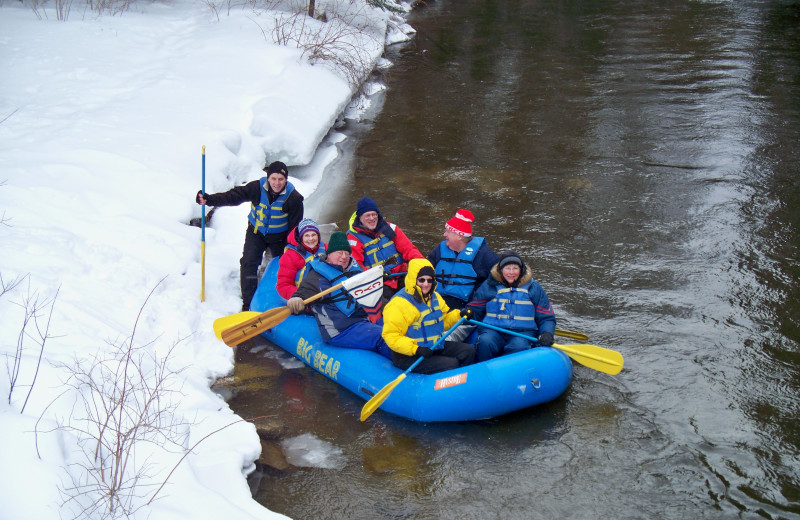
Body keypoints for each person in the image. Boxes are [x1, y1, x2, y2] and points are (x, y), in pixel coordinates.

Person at [196, 161, 304, 311]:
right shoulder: (256, 188)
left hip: (280, 237)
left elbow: (294, 228)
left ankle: (279, 299)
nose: (277, 183)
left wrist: (292, 248)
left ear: (286, 180)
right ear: (268, 178)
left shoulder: (294, 198)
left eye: (281, 179)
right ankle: (248, 304)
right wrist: (209, 200)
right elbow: (234, 196)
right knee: (248, 263)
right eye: (273, 178)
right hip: (256, 233)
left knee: (284, 267)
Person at [286, 232, 391, 359]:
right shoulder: (317, 276)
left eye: (347, 253)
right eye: (339, 253)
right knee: (384, 336)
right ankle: (405, 365)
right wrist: (296, 300)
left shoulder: (355, 269)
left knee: (398, 328)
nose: (344, 257)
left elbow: (372, 294)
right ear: (329, 254)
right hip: (341, 330)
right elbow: (303, 293)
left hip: (363, 320)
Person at [382, 258, 475, 374]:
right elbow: (391, 336)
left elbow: (444, 322)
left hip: (434, 346)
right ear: (413, 280)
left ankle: (464, 383)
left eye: (429, 280)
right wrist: (415, 349)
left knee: (468, 351)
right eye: (421, 280)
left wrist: (459, 315)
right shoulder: (398, 304)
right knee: (452, 364)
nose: (426, 284)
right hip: (409, 355)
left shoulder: (435, 297)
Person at [465, 250, 556, 362]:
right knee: (486, 341)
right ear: (501, 270)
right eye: (507, 268)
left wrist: (547, 332)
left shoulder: (534, 288)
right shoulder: (489, 286)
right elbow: (475, 310)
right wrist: (466, 313)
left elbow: (546, 317)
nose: (511, 272)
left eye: (515, 268)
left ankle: (511, 375)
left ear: (521, 270)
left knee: (519, 346)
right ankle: (482, 371)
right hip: (493, 330)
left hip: (523, 332)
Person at [427, 208, 499, 342]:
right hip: (437, 307)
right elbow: (423, 273)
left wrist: (474, 306)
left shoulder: (485, 257)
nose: (444, 234)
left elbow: (499, 281)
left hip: (464, 313)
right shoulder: (439, 251)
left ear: (459, 235)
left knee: (441, 340)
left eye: (448, 231)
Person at [347, 196, 424, 298]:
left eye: (374, 214)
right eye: (367, 215)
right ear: (360, 218)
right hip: (378, 283)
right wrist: (375, 277)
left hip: (401, 276)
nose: (371, 218)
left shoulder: (390, 228)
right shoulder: (354, 238)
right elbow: (356, 267)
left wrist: (423, 266)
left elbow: (409, 249)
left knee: (420, 295)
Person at [276, 218, 326, 300]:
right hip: (303, 296)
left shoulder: (326, 248)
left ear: (318, 236)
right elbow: (283, 285)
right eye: (307, 235)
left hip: (325, 291)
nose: (311, 239)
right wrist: (299, 296)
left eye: (314, 235)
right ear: (301, 238)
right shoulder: (290, 256)